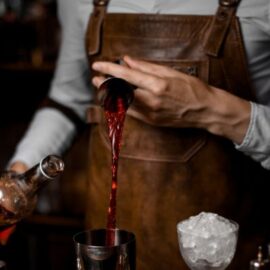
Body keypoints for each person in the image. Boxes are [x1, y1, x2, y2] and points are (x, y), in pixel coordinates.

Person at [7, 0, 270, 269]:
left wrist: (209, 107)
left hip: (228, 255)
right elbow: (68, 101)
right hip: (108, 251)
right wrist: (19, 177)